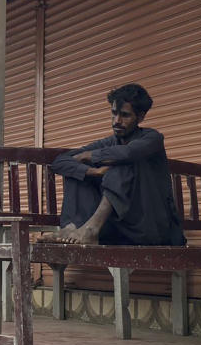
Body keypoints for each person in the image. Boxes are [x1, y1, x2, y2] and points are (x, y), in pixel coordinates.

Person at [41, 83, 186, 246]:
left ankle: (91, 229)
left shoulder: (152, 138)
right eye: (114, 113)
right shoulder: (109, 142)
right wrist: (91, 171)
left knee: (121, 161)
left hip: (152, 227)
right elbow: (60, 162)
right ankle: (72, 227)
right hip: (119, 227)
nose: (117, 121)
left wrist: (90, 155)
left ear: (141, 117)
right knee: (77, 172)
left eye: (125, 115)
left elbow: (128, 153)